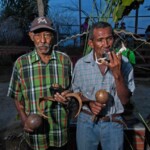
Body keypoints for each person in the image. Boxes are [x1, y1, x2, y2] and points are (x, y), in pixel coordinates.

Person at [7, 16, 73, 150]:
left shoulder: (64, 60)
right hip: (36, 135)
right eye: (37, 35)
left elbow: (73, 89)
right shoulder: (21, 63)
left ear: (53, 37)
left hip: (59, 131)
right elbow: (16, 95)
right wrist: (24, 119)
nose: (42, 41)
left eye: (47, 35)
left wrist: (68, 97)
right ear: (31, 36)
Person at [72, 21, 135, 150]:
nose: (106, 44)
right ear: (91, 43)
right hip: (86, 122)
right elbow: (75, 94)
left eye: (109, 39)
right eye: (100, 40)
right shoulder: (81, 65)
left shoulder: (125, 63)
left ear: (114, 39)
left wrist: (117, 74)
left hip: (113, 122)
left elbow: (125, 100)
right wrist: (89, 102)